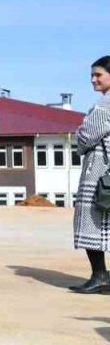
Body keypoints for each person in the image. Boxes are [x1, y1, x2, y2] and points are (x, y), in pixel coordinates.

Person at [70, 56, 110, 294]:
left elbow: (85, 137)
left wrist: (79, 136)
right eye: (92, 75)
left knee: (90, 222)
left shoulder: (104, 105)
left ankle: (99, 275)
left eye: (98, 75)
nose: (93, 79)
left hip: (99, 172)